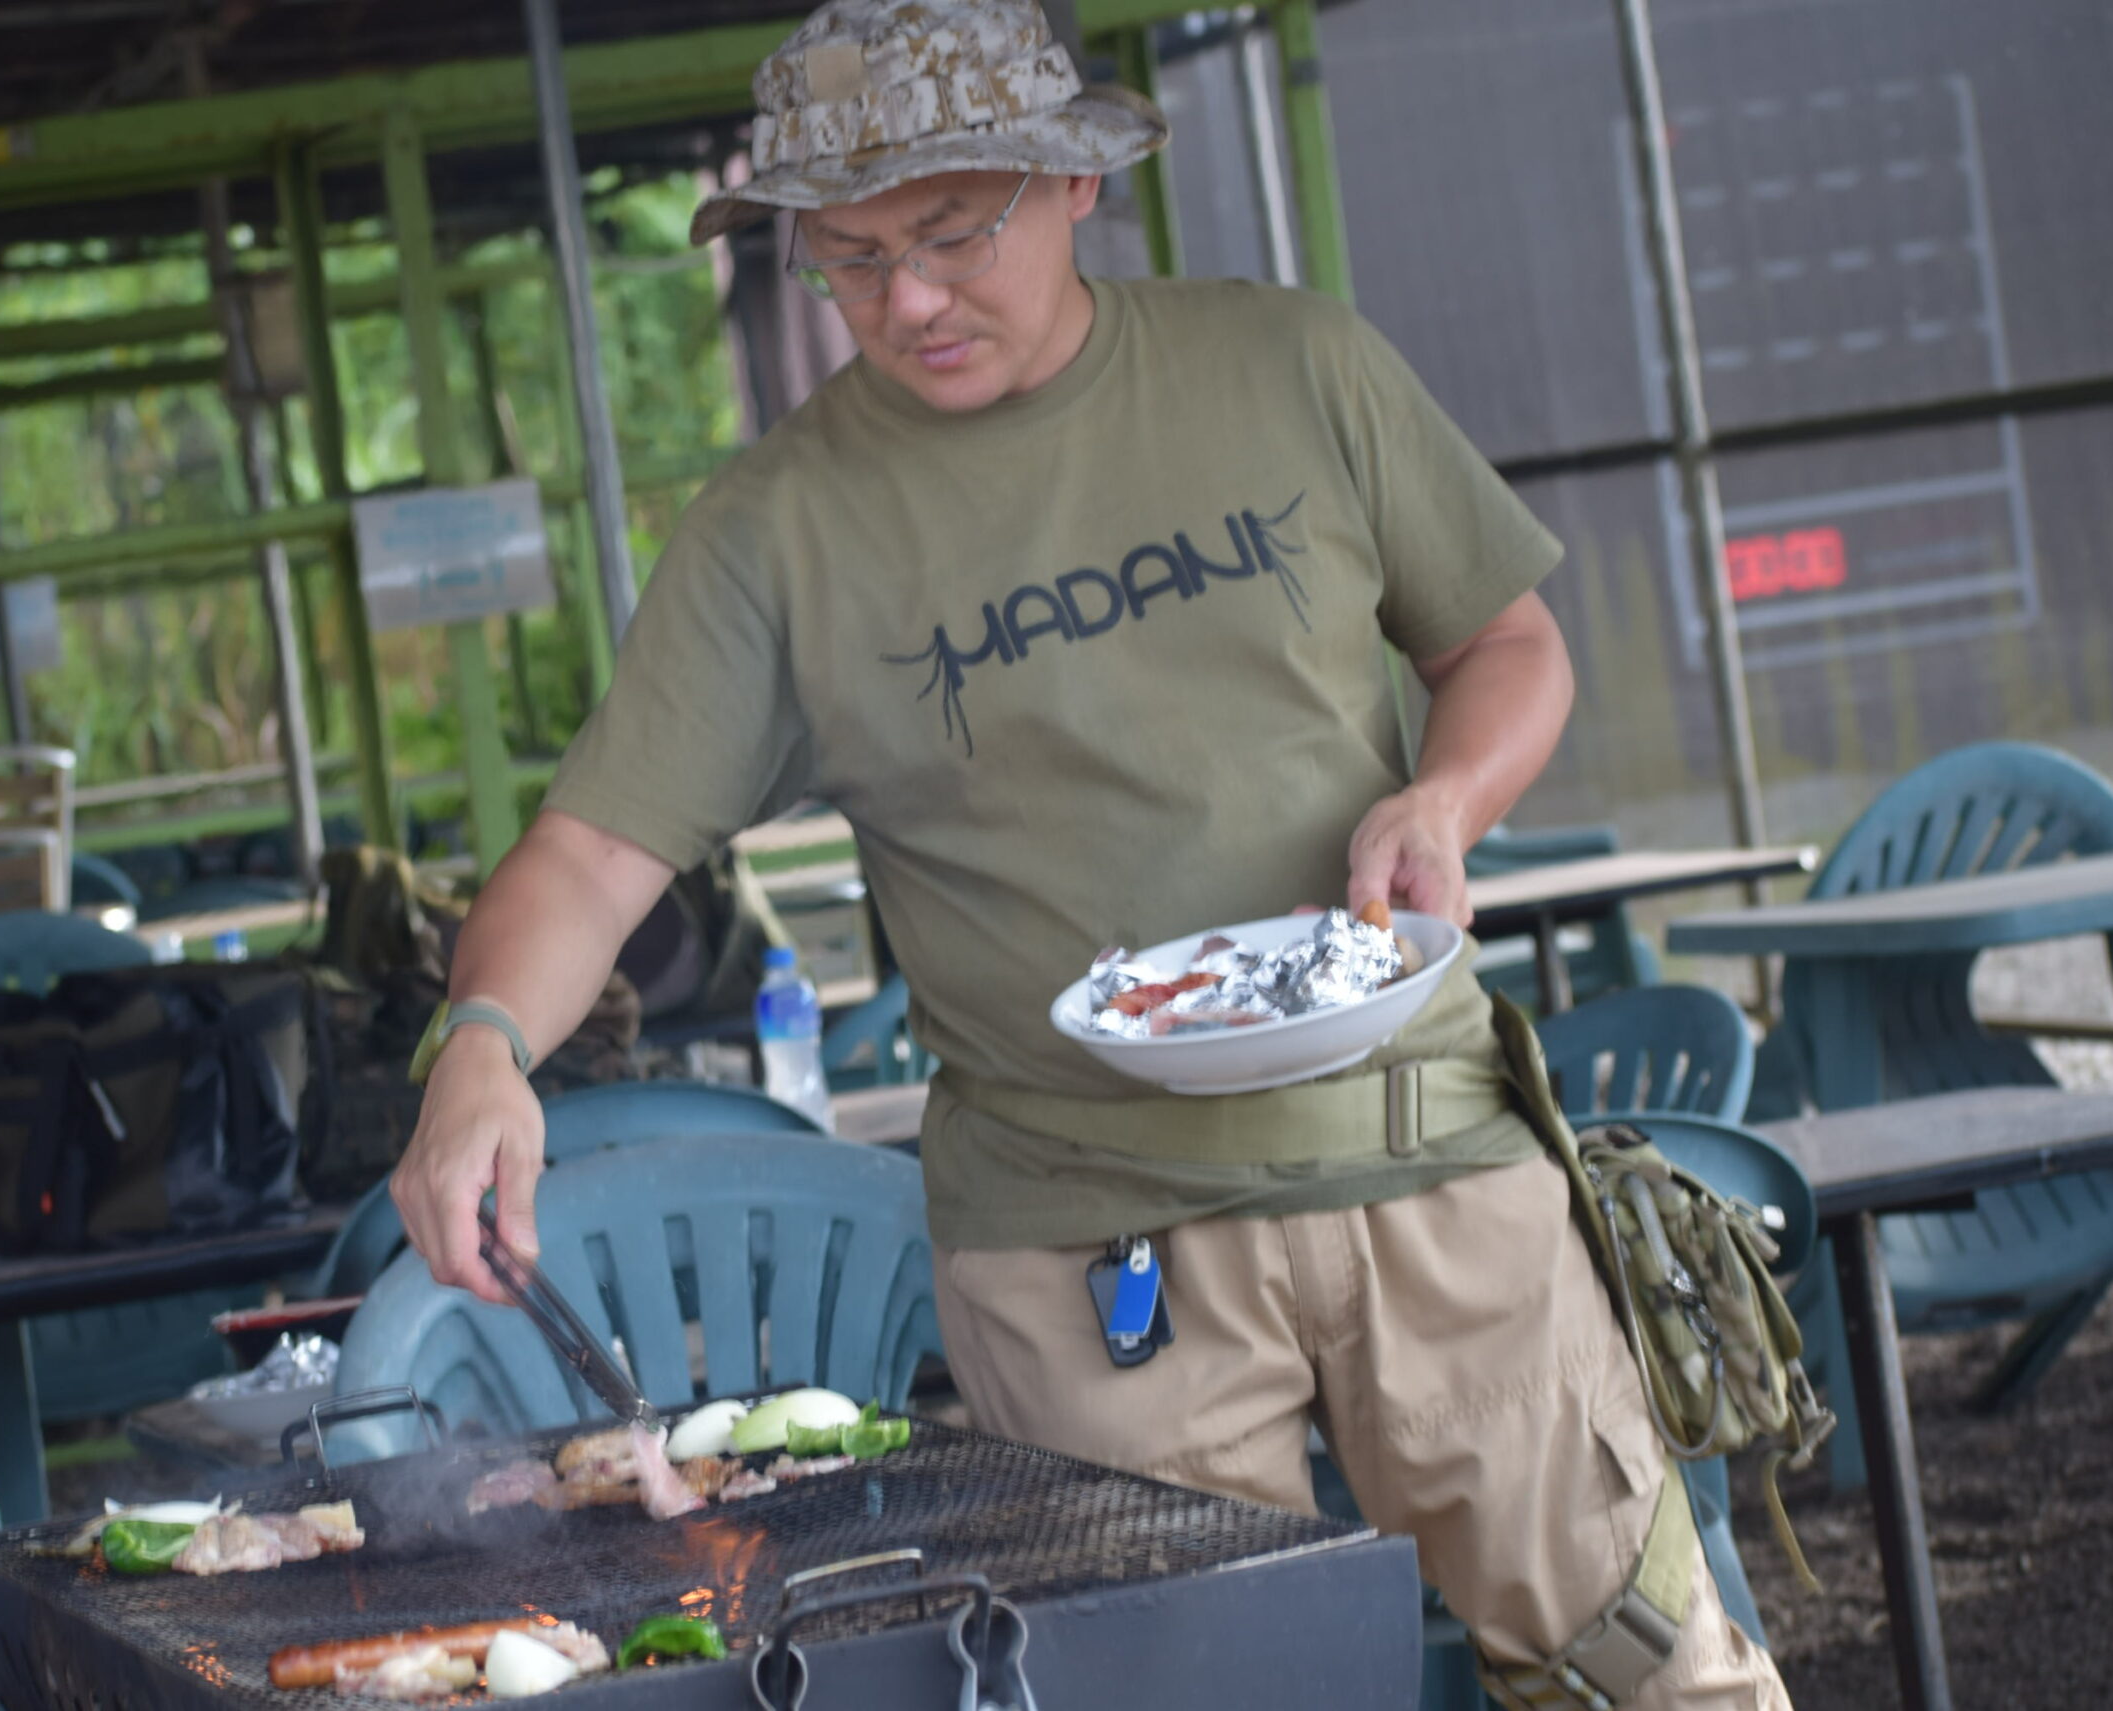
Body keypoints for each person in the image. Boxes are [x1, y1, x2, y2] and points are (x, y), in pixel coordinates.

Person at [392, 4, 1789, 1706]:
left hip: (1422, 1151)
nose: (908, 301)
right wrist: (482, 1046)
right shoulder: (777, 533)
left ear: (1073, 185)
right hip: (1082, 1246)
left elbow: (1507, 645)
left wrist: (1443, 803)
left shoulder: (1292, 368)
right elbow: (591, 854)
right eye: (848, 258)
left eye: (950, 234)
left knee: (1643, 1662)